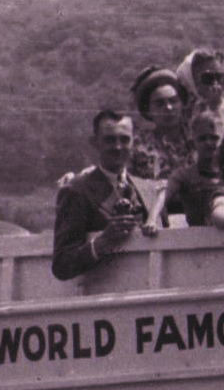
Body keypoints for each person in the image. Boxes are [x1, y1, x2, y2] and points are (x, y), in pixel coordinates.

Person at [52, 109, 156, 280]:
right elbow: (62, 265)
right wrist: (104, 241)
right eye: (109, 140)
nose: (117, 147)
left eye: (124, 139)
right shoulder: (76, 191)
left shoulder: (147, 190)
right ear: (95, 142)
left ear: (134, 142)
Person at [159, 110, 224, 227]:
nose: (208, 143)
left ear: (223, 141)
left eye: (214, 138)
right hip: (197, 238)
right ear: (193, 142)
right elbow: (162, 197)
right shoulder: (183, 175)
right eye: (202, 138)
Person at [131, 67, 193, 179]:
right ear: (149, 111)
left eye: (173, 101)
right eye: (160, 104)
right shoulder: (138, 145)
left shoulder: (197, 138)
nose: (168, 108)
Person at [177, 48, 224, 128]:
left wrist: (217, 108)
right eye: (208, 78)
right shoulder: (176, 110)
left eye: (219, 77)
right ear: (191, 80)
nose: (215, 84)